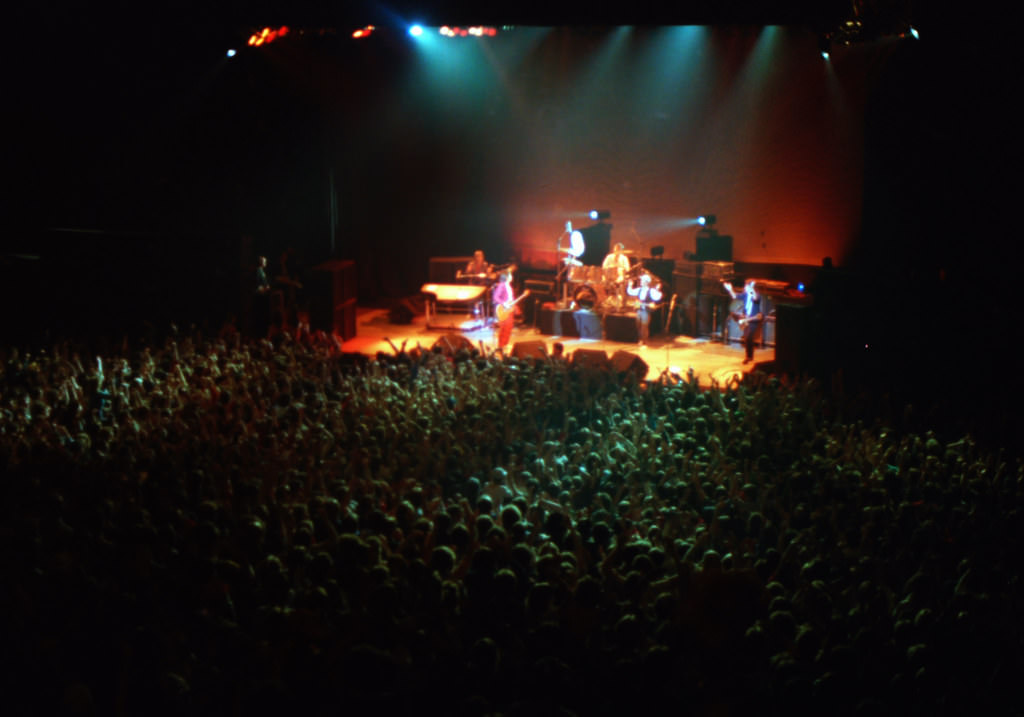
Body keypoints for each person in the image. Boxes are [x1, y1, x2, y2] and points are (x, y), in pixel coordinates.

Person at [723, 278, 763, 364]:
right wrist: (730, 289)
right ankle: (750, 356)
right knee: (747, 338)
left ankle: (748, 357)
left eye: (746, 286)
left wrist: (751, 289)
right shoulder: (745, 295)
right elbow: (735, 296)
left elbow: (755, 298)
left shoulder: (756, 295)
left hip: (753, 320)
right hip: (745, 319)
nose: (744, 287)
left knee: (748, 337)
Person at [626, 271, 663, 347]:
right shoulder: (639, 289)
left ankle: (644, 341)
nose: (641, 282)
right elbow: (630, 292)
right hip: (639, 310)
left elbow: (658, 296)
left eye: (643, 281)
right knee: (638, 325)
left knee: (644, 326)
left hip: (646, 311)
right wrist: (630, 285)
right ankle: (640, 340)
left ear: (646, 282)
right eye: (641, 280)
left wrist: (657, 290)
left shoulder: (651, 291)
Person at [491, 271, 517, 351]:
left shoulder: (509, 286)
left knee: (509, 327)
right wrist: (504, 303)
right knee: (504, 327)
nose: (512, 276)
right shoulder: (502, 285)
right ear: (506, 277)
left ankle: (505, 344)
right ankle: (501, 345)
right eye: (510, 275)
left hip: (510, 308)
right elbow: (495, 297)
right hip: (504, 309)